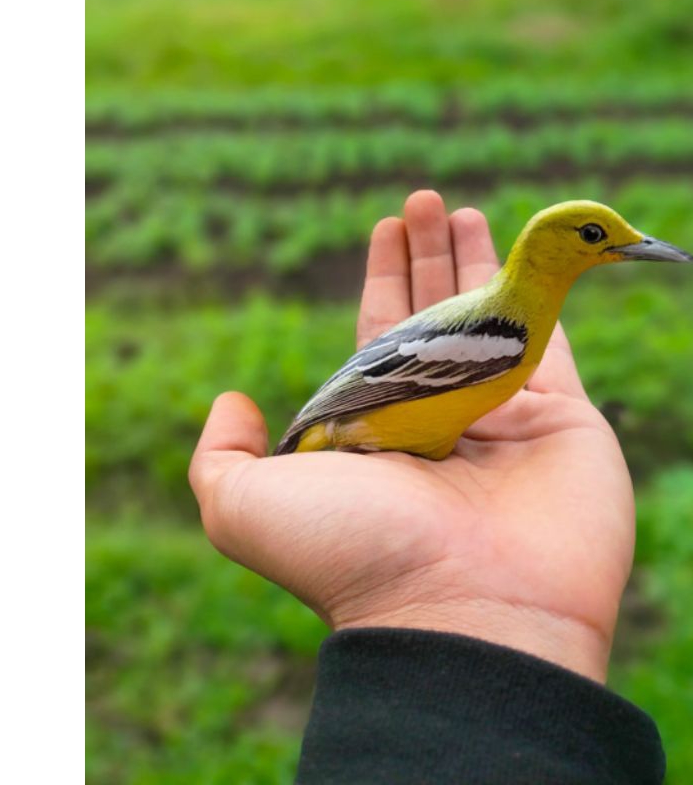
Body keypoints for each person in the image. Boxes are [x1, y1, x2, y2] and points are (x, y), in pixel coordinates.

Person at [189, 190, 666, 784]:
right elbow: (379, 381)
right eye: (595, 235)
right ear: (548, 252)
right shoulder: (507, 328)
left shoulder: (512, 319)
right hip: (351, 422)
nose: (629, 243)